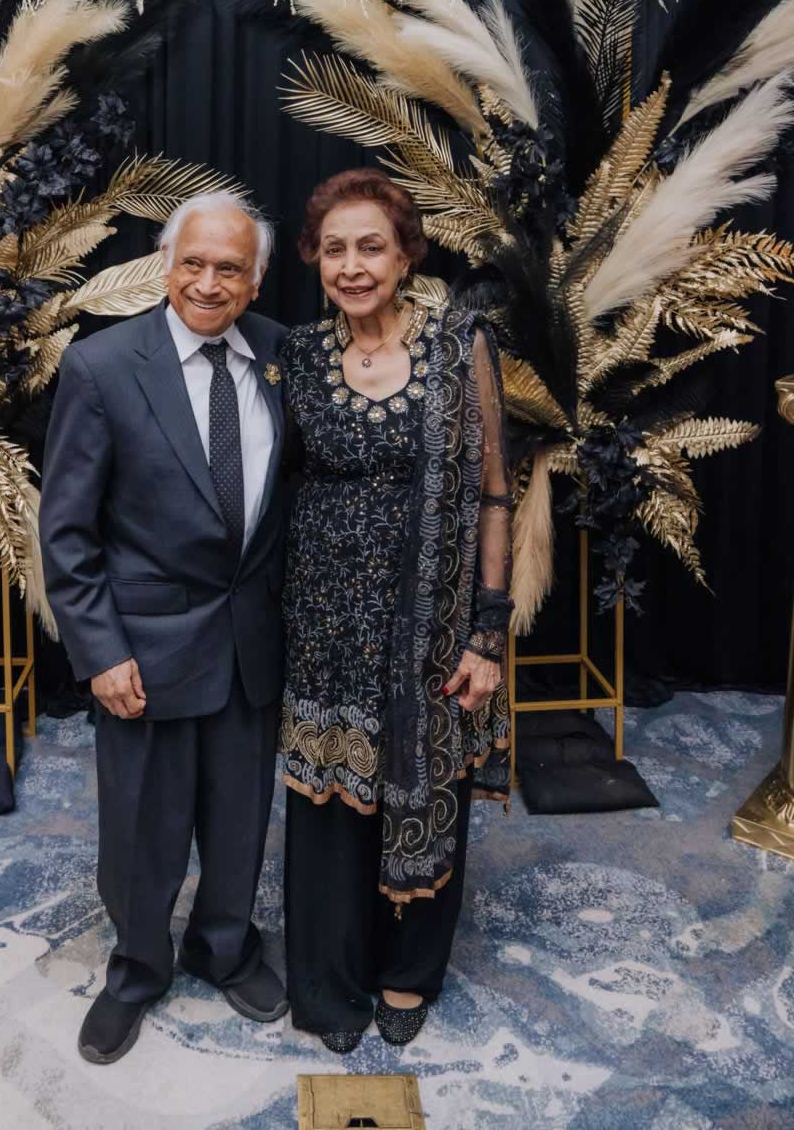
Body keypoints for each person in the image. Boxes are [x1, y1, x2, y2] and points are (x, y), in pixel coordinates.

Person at [40, 190, 289, 1065]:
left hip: (250, 643)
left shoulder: (283, 355)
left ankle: (224, 947)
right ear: (165, 265)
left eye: (230, 268)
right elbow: (67, 530)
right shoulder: (102, 366)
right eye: (194, 263)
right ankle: (137, 968)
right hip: (143, 650)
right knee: (142, 829)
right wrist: (100, 651)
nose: (209, 283)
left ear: (256, 280)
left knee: (239, 818)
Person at [279, 168, 512, 1054]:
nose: (352, 265)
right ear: (314, 258)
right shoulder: (299, 353)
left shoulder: (461, 345)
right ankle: (330, 978)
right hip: (325, 623)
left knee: (425, 786)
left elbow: (495, 491)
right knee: (331, 806)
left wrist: (487, 631)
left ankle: (409, 967)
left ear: (406, 254)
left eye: (371, 246)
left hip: (432, 626)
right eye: (334, 248)